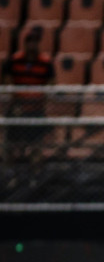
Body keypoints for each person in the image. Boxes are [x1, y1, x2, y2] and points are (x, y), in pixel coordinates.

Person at [2, 30, 54, 164]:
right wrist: (18, 101)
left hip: (36, 110)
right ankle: (8, 176)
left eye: (35, 42)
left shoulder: (46, 62)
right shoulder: (14, 61)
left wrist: (37, 99)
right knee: (10, 145)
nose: (32, 45)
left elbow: (51, 85)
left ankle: (34, 179)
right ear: (25, 44)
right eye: (29, 42)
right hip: (17, 109)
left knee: (36, 146)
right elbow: (8, 83)